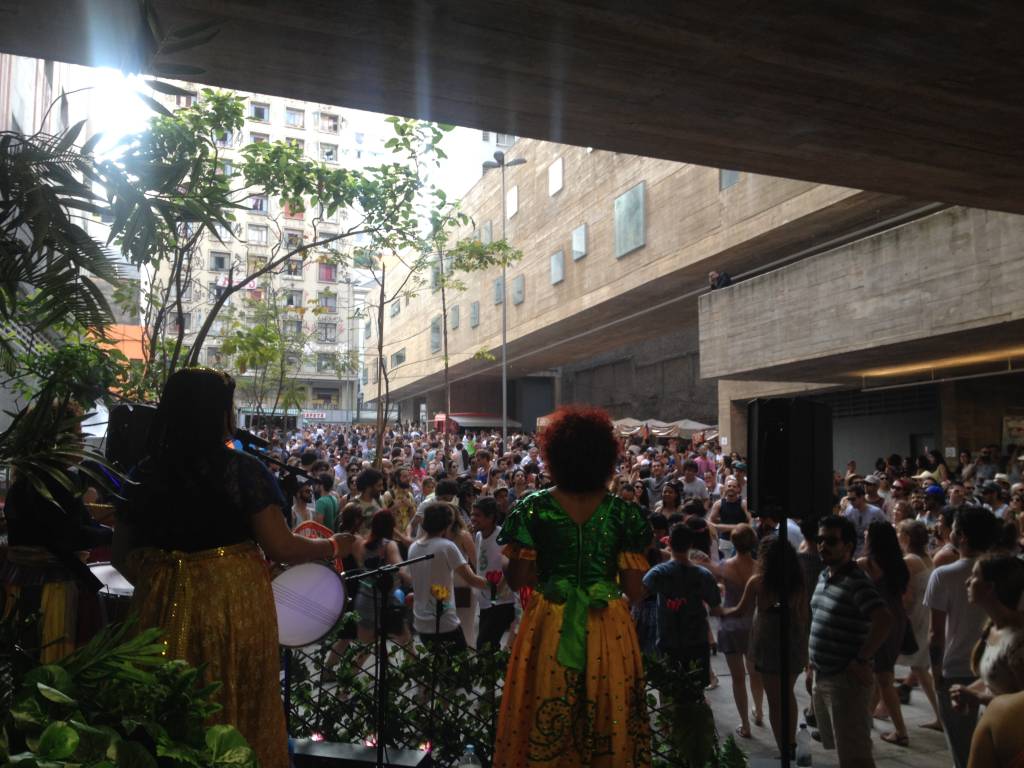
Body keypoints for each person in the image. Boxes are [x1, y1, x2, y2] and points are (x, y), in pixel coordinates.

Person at [113, 368, 355, 768]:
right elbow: (281, 546)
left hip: (157, 612)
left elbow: (122, 553)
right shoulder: (242, 470)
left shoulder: (143, 473)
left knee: (164, 713)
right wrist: (331, 545)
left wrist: (166, 584)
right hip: (232, 608)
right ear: (217, 412)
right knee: (235, 702)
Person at [494, 406, 652, 768]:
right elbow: (635, 587)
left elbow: (517, 579)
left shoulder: (534, 508)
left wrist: (548, 576)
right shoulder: (624, 514)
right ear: (604, 457)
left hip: (551, 619)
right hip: (607, 624)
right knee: (607, 711)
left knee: (547, 709)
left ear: (555, 456)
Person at [0, 400, 113, 663]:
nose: (83, 441)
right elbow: (68, 536)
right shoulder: (57, 481)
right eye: (77, 435)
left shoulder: (28, 478)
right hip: (49, 587)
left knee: (25, 658)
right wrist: (111, 535)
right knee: (49, 659)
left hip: (22, 582)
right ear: (56, 440)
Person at [808, 514, 893, 768]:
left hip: (845, 680)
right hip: (824, 673)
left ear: (848, 546)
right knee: (844, 749)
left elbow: (884, 619)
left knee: (855, 755)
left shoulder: (856, 580)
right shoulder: (825, 574)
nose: (823, 545)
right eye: (820, 540)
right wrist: (810, 663)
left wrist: (861, 658)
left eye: (831, 541)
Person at [924, 506, 997, 768]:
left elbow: (935, 634)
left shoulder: (943, 575)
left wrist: (936, 672)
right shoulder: (1006, 571)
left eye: (953, 528)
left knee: (962, 752)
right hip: (997, 668)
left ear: (962, 536)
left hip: (955, 668)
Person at [725, 536, 808, 757]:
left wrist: (720, 611)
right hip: (794, 640)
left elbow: (741, 610)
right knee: (788, 695)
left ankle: (784, 750)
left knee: (775, 700)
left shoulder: (758, 582)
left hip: (769, 643)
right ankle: (790, 744)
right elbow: (803, 614)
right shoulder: (798, 582)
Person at [947, 554, 1024, 711]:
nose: (967, 582)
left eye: (975, 575)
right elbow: (995, 681)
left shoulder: (1018, 641)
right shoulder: (993, 627)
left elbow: (1020, 702)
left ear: (990, 587)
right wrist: (969, 692)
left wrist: (977, 697)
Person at [406, 503, 488, 648]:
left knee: (439, 665)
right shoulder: (446, 546)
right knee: (459, 664)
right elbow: (472, 579)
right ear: (447, 524)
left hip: (421, 622)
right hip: (444, 622)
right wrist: (497, 584)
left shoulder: (414, 547)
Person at [858, 521, 910, 747]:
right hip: (898, 618)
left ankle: (901, 731)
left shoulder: (866, 563)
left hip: (881, 620)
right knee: (883, 673)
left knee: (884, 677)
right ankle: (865, 719)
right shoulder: (899, 563)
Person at [715, 524, 764, 738]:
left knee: (737, 678)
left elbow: (718, 589)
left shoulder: (724, 565)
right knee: (755, 674)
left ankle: (745, 723)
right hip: (754, 624)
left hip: (731, 624)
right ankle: (760, 711)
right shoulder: (760, 568)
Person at [895, 519, 943, 731]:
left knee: (885, 667)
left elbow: (907, 596)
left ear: (906, 538)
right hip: (923, 616)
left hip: (914, 618)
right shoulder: (926, 557)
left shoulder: (909, 560)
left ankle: (880, 709)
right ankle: (941, 717)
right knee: (921, 668)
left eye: (899, 533)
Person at [471, 496, 516, 649]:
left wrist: (498, 588)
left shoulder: (502, 536)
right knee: (489, 647)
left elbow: (510, 565)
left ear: (490, 517)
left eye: (477, 515)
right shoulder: (478, 536)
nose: (473, 518)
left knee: (484, 645)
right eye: (472, 514)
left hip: (501, 602)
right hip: (485, 601)